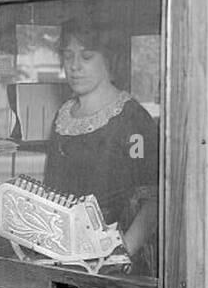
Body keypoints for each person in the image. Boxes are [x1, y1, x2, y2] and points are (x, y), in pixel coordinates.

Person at [42, 18, 158, 273]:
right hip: (67, 256)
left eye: (86, 57)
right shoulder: (63, 116)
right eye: (68, 56)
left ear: (108, 60)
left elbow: (153, 201)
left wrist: (119, 254)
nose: (74, 67)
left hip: (118, 262)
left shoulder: (132, 118)